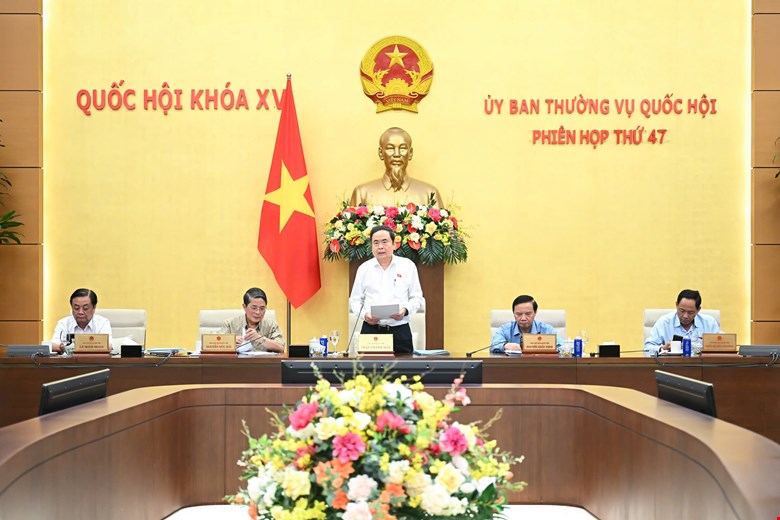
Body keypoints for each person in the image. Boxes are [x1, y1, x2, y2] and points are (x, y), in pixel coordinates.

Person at [349, 225, 424, 354]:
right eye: (376, 243)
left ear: (394, 244)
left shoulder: (407, 266)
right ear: (371, 246)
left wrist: (405, 310)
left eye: (385, 242)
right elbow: (355, 300)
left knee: (403, 366)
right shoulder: (364, 269)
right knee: (368, 367)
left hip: (400, 331)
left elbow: (417, 298)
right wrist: (365, 315)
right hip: (371, 331)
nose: (380, 247)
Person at [349, 127, 444, 208]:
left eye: (403, 148)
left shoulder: (429, 194)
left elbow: (443, 224)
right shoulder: (362, 193)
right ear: (381, 153)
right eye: (390, 148)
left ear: (410, 153)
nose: (397, 154)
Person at [644, 289, 722, 355]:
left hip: (702, 366)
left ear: (698, 310)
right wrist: (662, 348)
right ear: (676, 305)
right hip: (672, 366)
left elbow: (724, 345)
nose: (685, 316)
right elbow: (647, 349)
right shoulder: (664, 323)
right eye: (682, 310)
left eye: (690, 312)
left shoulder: (709, 323)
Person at [491, 295, 563, 355]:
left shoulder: (547, 330)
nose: (523, 318)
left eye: (528, 314)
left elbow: (563, 347)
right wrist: (505, 345)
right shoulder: (505, 330)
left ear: (535, 312)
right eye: (519, 314)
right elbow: (494, 346)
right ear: (513, 313)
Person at [218, 288, 285, 353]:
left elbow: (281, 348)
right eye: (254, 308)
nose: (258, 312)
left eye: (262, 308)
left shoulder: (271, 325)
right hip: (237, 360)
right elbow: (215, 343)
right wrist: (231, 340)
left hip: (263, 360)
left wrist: (259, 338)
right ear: (244, 307)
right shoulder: (230, 324)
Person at [51, 288, 112, 354]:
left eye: (85, 308)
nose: (80, 312)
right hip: (70, 360)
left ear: (94, 307)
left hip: (95, 360)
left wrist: (74, 346)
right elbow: (53, 345)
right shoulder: (63, 323)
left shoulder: (102, 323)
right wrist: (61, 347)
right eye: (76, 308)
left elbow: (108, 346)